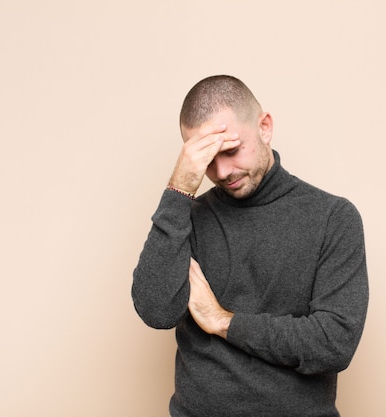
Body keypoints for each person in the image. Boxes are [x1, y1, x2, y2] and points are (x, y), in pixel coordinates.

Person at [132, 75, 368, 417]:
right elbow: (155, 311)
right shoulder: (188, 219)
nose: (222, 171)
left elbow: (334, 343)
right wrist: (179, 188)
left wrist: (224, 321)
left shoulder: (333, 218)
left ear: (265, 127)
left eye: (230, 150)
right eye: (206, 160)